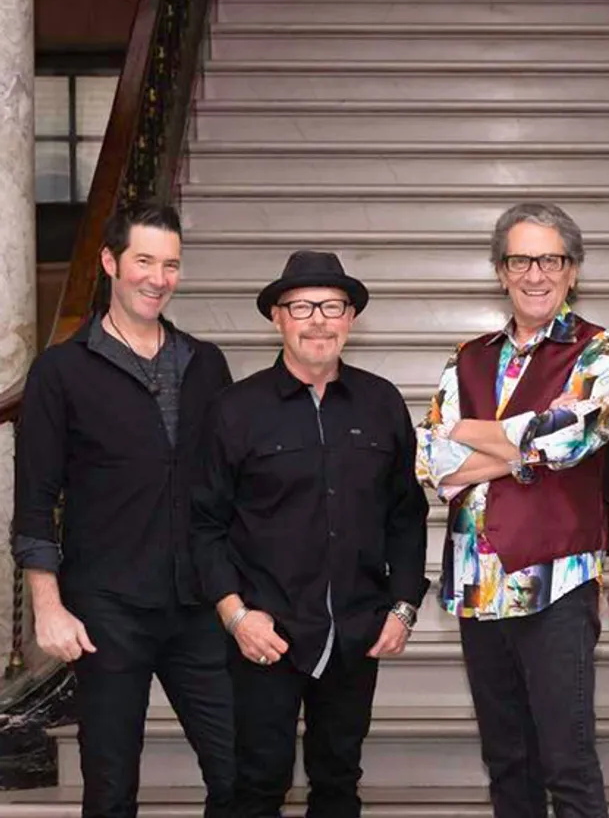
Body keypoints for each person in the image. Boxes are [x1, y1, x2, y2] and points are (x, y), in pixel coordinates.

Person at [13, 202, 235, 818]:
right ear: (110, 263)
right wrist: (48, 606)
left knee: (242, 774)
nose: (157, 278)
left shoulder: (206, 363)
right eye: (144, 260)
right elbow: (34, 497)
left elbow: (230, 487)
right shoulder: (60, 371)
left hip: (198, 604)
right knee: (111, 791)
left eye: (170, 265)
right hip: (106, 608)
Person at [190, 250, 429, 818]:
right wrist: (235, 614)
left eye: (332, 306)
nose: (318, 319)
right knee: (255, 782)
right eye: (302, 306)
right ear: (278, 316)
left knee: (339, 780)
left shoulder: (382, 403)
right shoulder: (234, 409)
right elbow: (202, 525)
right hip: (264, 635)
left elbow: (406, 514)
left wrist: (403, 608)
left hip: (354, 632)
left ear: (350, 318)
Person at [416, 203, 609, 818]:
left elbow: (568, 438)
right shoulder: (469, 355)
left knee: (567, 762)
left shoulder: (602, 351)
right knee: (507, 761)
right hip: (476, 587)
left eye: (550, 259)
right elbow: (433, 459)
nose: (535, 273)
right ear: (500, 270)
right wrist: (520, 447)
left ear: (573, 269)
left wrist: (466, 428)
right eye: (520, 260)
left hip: (555, 583)